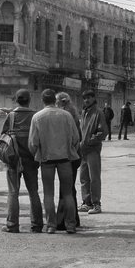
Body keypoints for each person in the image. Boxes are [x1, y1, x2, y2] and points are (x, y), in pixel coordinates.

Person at [29, 89, 81, 234]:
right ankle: (70, 225)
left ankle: (51, 225)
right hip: (65, 159)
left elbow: (33, 143)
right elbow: (76, 139)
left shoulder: (37, 117)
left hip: (46, 160)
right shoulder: (67, 115)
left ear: (42, 100)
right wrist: (70, 152)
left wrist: (37, 155)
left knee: (48, 194)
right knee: (68, 194)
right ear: (55, 100)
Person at [0, 89, 43, 233]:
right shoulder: (35, 116)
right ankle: (37, 225)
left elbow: (3, 138)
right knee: (33, 192)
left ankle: (12, 225)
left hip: (13, 160)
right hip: (32, 160)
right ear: (29, 100)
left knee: (13, 192)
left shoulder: (11, 116)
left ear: (16, 100)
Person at [78, 89, 108, 215]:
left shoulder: (98, 113)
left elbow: (103, 132)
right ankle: (86, 202)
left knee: (94, 177)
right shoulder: (84, 112)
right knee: (84, 178)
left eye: (89, 97)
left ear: (93, 98)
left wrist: (90, 141)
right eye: (85, 98)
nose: (87, 100)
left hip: (93, 150)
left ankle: (96, 204)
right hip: (83, 151)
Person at [55, 92, 82, 230]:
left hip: (68, 156)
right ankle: (73, 219)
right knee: (70, 188)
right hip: (75, 155)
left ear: (60, 102)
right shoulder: (73, 114)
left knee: (66, 189)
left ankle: (64, 221)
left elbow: (73, 139)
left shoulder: (65, 116)